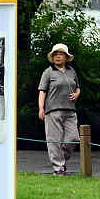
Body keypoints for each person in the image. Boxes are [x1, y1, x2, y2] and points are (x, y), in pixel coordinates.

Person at [38, 43, 81, 175]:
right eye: (55, 54)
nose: (58, 56)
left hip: (70, 110)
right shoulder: (48, 72)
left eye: (61, 54)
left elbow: (78, 87)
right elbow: (42, 91)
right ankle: (58, 168)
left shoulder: (72, 71)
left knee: (73, 138)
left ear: (66, 57)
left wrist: (77, 94)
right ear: (52, 57)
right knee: (54, 140)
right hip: (53, 110)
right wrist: (41, 108)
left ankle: (60, 159)